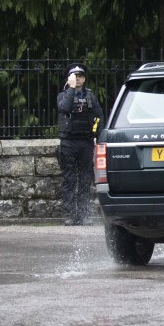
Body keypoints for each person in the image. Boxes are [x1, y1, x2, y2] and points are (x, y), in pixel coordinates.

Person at [57, 63, 104, 226]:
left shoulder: (90, 96)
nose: (78, 79)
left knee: (85, 179)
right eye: (74, 76)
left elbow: (99, 117)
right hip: (68, 142)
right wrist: (70, 88)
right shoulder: (63, 95)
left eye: (81, 76)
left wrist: (98, 137)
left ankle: (83, 214)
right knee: (69, 179)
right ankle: (70, 215)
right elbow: (65, 107)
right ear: (69, 78)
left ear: (84, 79)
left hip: (86, 142)